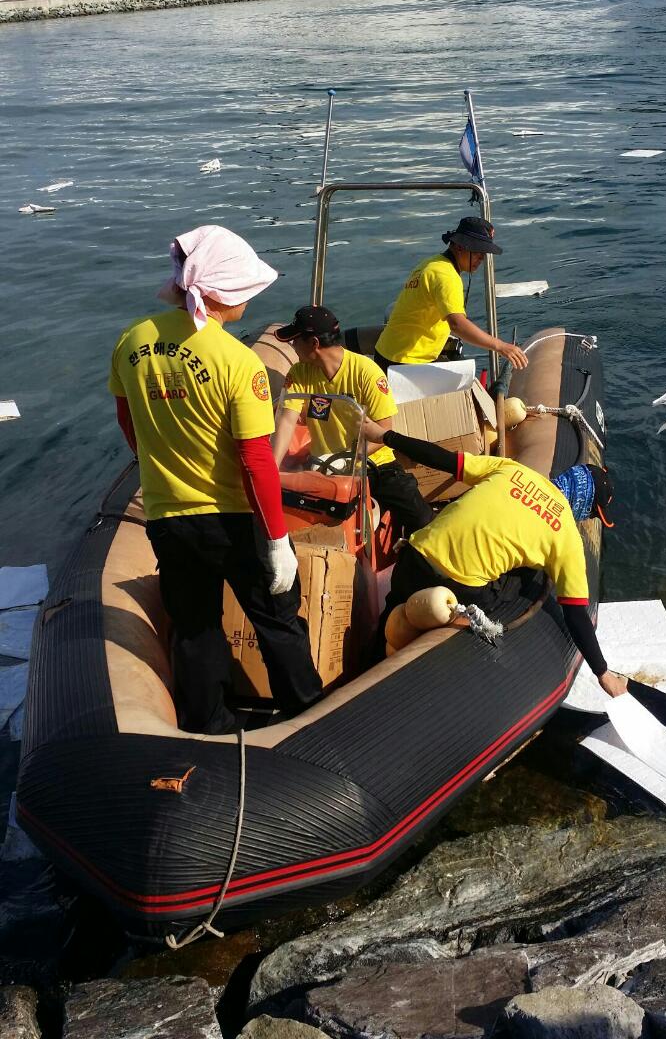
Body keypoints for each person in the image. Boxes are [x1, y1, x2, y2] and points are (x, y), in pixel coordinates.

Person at [109, 225, 322, 735]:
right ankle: (308, 718)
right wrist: (277, 540)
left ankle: (209, 726)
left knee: (195, 627)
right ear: (225, 292)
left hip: (167, 517)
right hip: (234, 520)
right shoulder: (237, 361)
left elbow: (129, 422)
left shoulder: (132, 341)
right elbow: (255, 460)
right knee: (277, 620)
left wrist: (161, 468)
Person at [361, 416, 626, 699]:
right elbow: (575, 613)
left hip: (414, 558)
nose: (587, 519)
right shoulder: (567, 537)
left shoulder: (512, 469)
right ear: (584, 504)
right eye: (591, 513)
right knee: (532, 576)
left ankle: (362, 668)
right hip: (458, 589)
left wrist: (384, 436)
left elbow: (440, 458)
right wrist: (603, 672)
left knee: (389, 620)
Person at [272, 306, 433, 537]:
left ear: (314, 343)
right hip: (323, 468)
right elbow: (286, 420)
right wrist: (272, 468)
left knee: (421, 518)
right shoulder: (299, 373)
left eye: (295, 340)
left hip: (373, 463)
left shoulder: (366, 373)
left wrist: (350, 459)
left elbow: (385, 430)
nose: (293, 346)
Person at [374, 216, 528, 372]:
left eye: (484, 252)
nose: (482, 258)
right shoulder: (447, 276)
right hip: (404, 362)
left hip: (387, 353)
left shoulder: (432, 263)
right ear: (460, 246)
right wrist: (500, 346)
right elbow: (457, 324)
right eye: (477, 251)